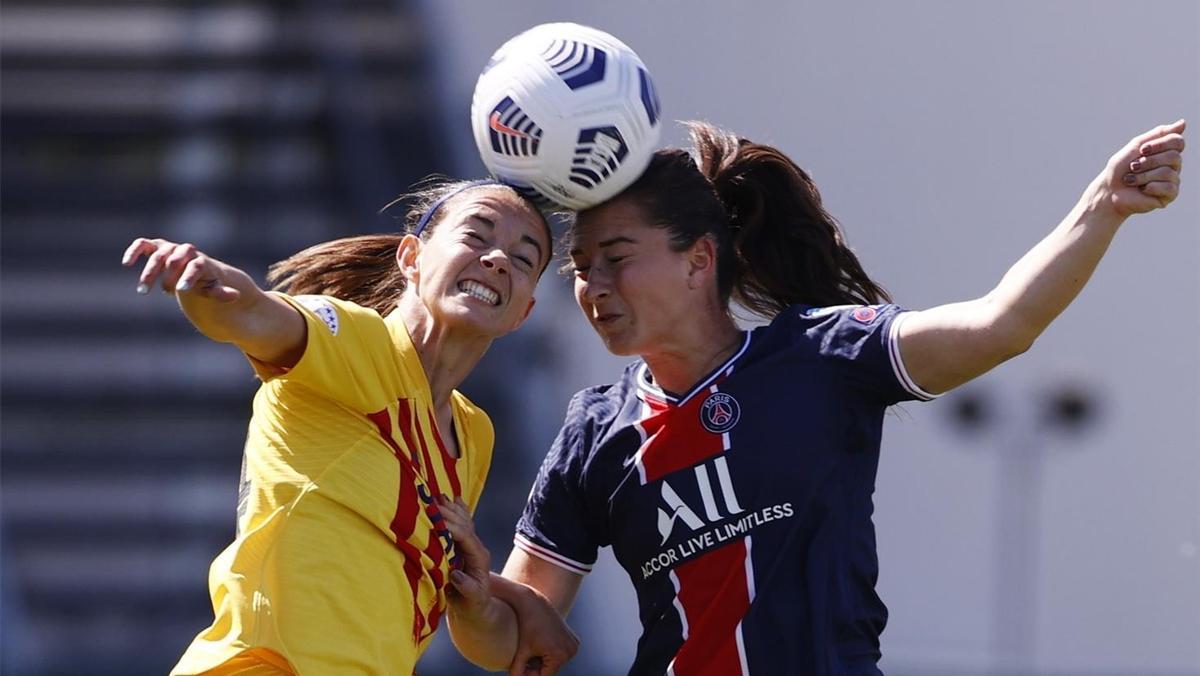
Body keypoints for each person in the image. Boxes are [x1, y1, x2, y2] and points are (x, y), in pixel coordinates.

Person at [440, 120, 1186, 675]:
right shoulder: (593, 428)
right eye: (580, 266)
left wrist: (1104, 206)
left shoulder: (824, 356)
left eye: (616, 259)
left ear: (699, 260)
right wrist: (477, 606)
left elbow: (1002, 323)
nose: (592, 285)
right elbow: (522, 636)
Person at [122, 179, 578, 675]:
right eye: (476, 235)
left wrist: (484, 603)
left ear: (523, 312)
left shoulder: (473, 434)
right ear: (411, 258)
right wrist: (209, 287)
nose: (497, 260)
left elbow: (485, 644)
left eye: (523, 258)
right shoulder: (352, 341)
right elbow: (252, 314)